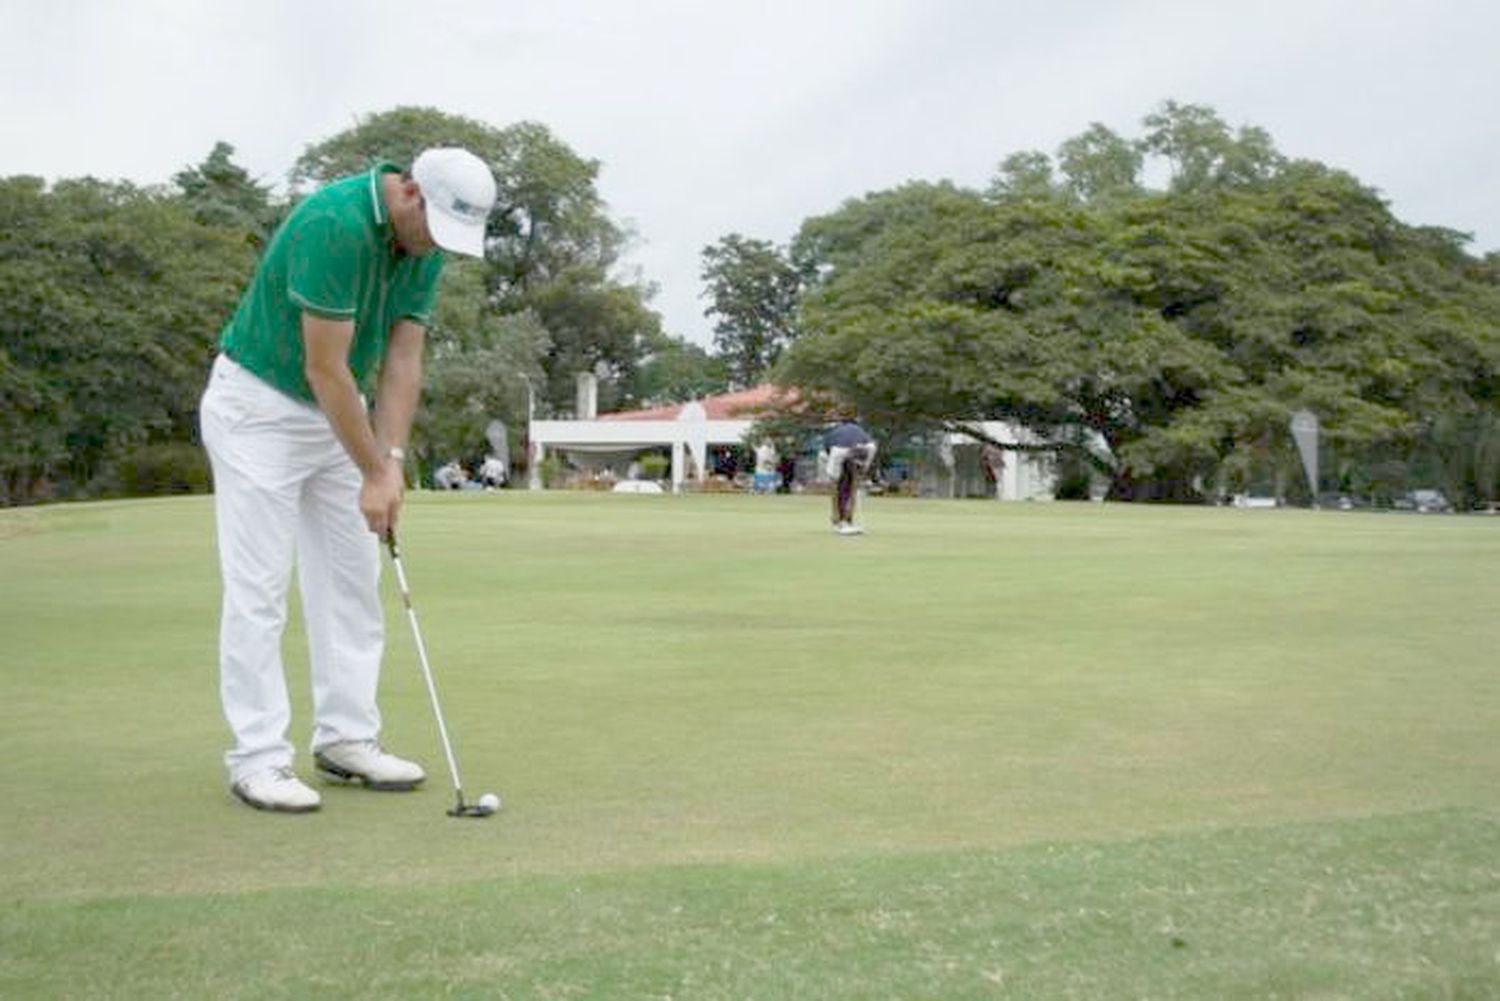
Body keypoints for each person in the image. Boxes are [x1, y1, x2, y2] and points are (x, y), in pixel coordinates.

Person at [199, 148, 497, 813]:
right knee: (260, 589)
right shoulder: (335, 223)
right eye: (435, 228)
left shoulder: (425, 246)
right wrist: (370, 468)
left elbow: (402, 360)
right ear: (411, 192)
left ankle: (347, 736)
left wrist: (389, 461)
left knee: (352, 577)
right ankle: (258, 757)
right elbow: (325, 369)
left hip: (336, 413)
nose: (436, 247)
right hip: (259, 407)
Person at [824, 419, 877, 535]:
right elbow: (833, 483)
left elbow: (859, 476)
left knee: (851, 482)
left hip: (855, 452)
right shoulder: (837, 451)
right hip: (834, 450)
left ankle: (848, 519)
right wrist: (835, 512)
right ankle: (839, 519)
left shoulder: (871, 447)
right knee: (839, 483)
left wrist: (851, 506)